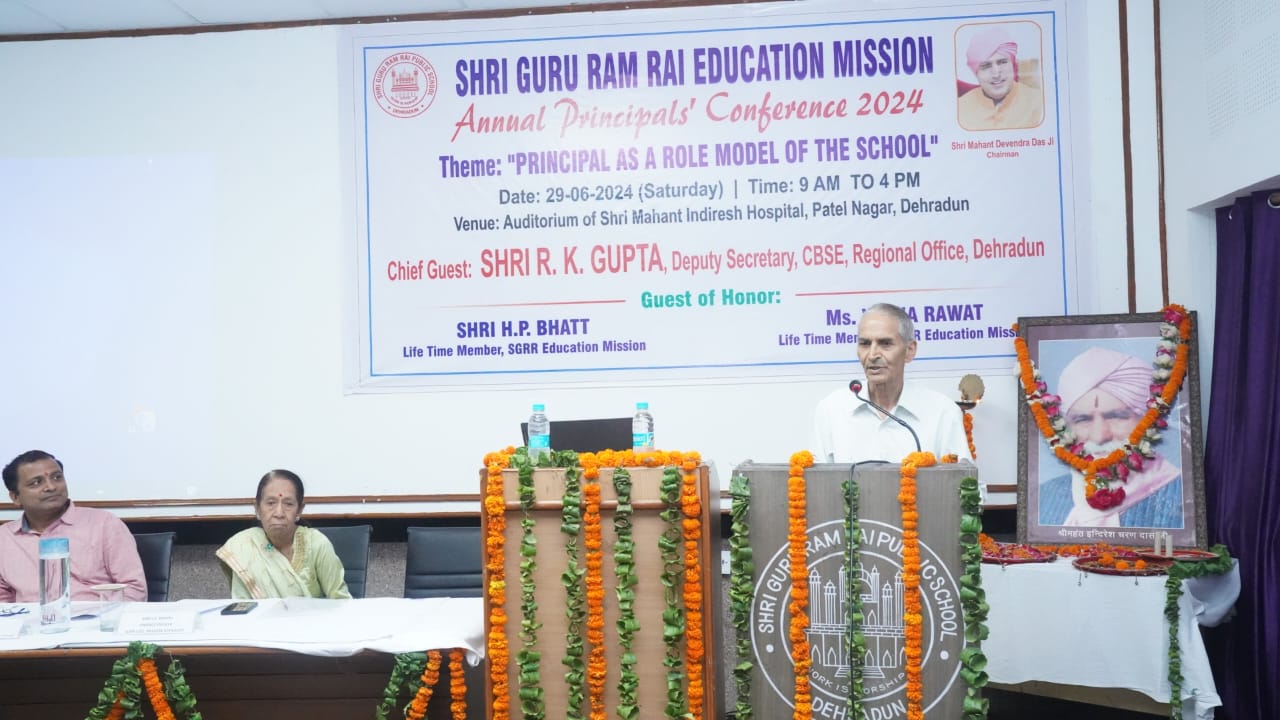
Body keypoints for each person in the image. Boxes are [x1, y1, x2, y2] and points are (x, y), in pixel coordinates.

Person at [1037, 346, 1183, 528]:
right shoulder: (1045, 495)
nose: (1099, 436)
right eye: (1083, 419)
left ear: (1149, 421)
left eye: (1116, 416)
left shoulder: (1182, 493)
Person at [812, 303, 972, 464]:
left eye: (885, 344)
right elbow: (815, 477)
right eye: (865, 344)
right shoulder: (831, 410)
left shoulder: (942, 412)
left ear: (909, 350)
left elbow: (961, 478)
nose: (872, 355)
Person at [0, 450, 147, 602]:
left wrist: (99, 617)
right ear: (15, 497)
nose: (51, 487)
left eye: (57, 477)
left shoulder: (104, 524)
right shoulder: (4, 538)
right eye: (36, 482)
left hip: (97, 615)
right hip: (29, 617)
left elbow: (134, 589)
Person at [216, 469, 351, 599]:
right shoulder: (243, 547)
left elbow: (340, 601)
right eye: (271, 503)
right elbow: (243, 606)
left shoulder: (317, 544)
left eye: (288, 504)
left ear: (299, 510)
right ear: (257, 508)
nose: (279, 513)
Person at [957, 25, 1044, 131]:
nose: (996, 74)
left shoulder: (1039, 102)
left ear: (1013, 65)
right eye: (986, 66)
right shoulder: (960, 107)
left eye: (1002, 62)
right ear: (976, 73)